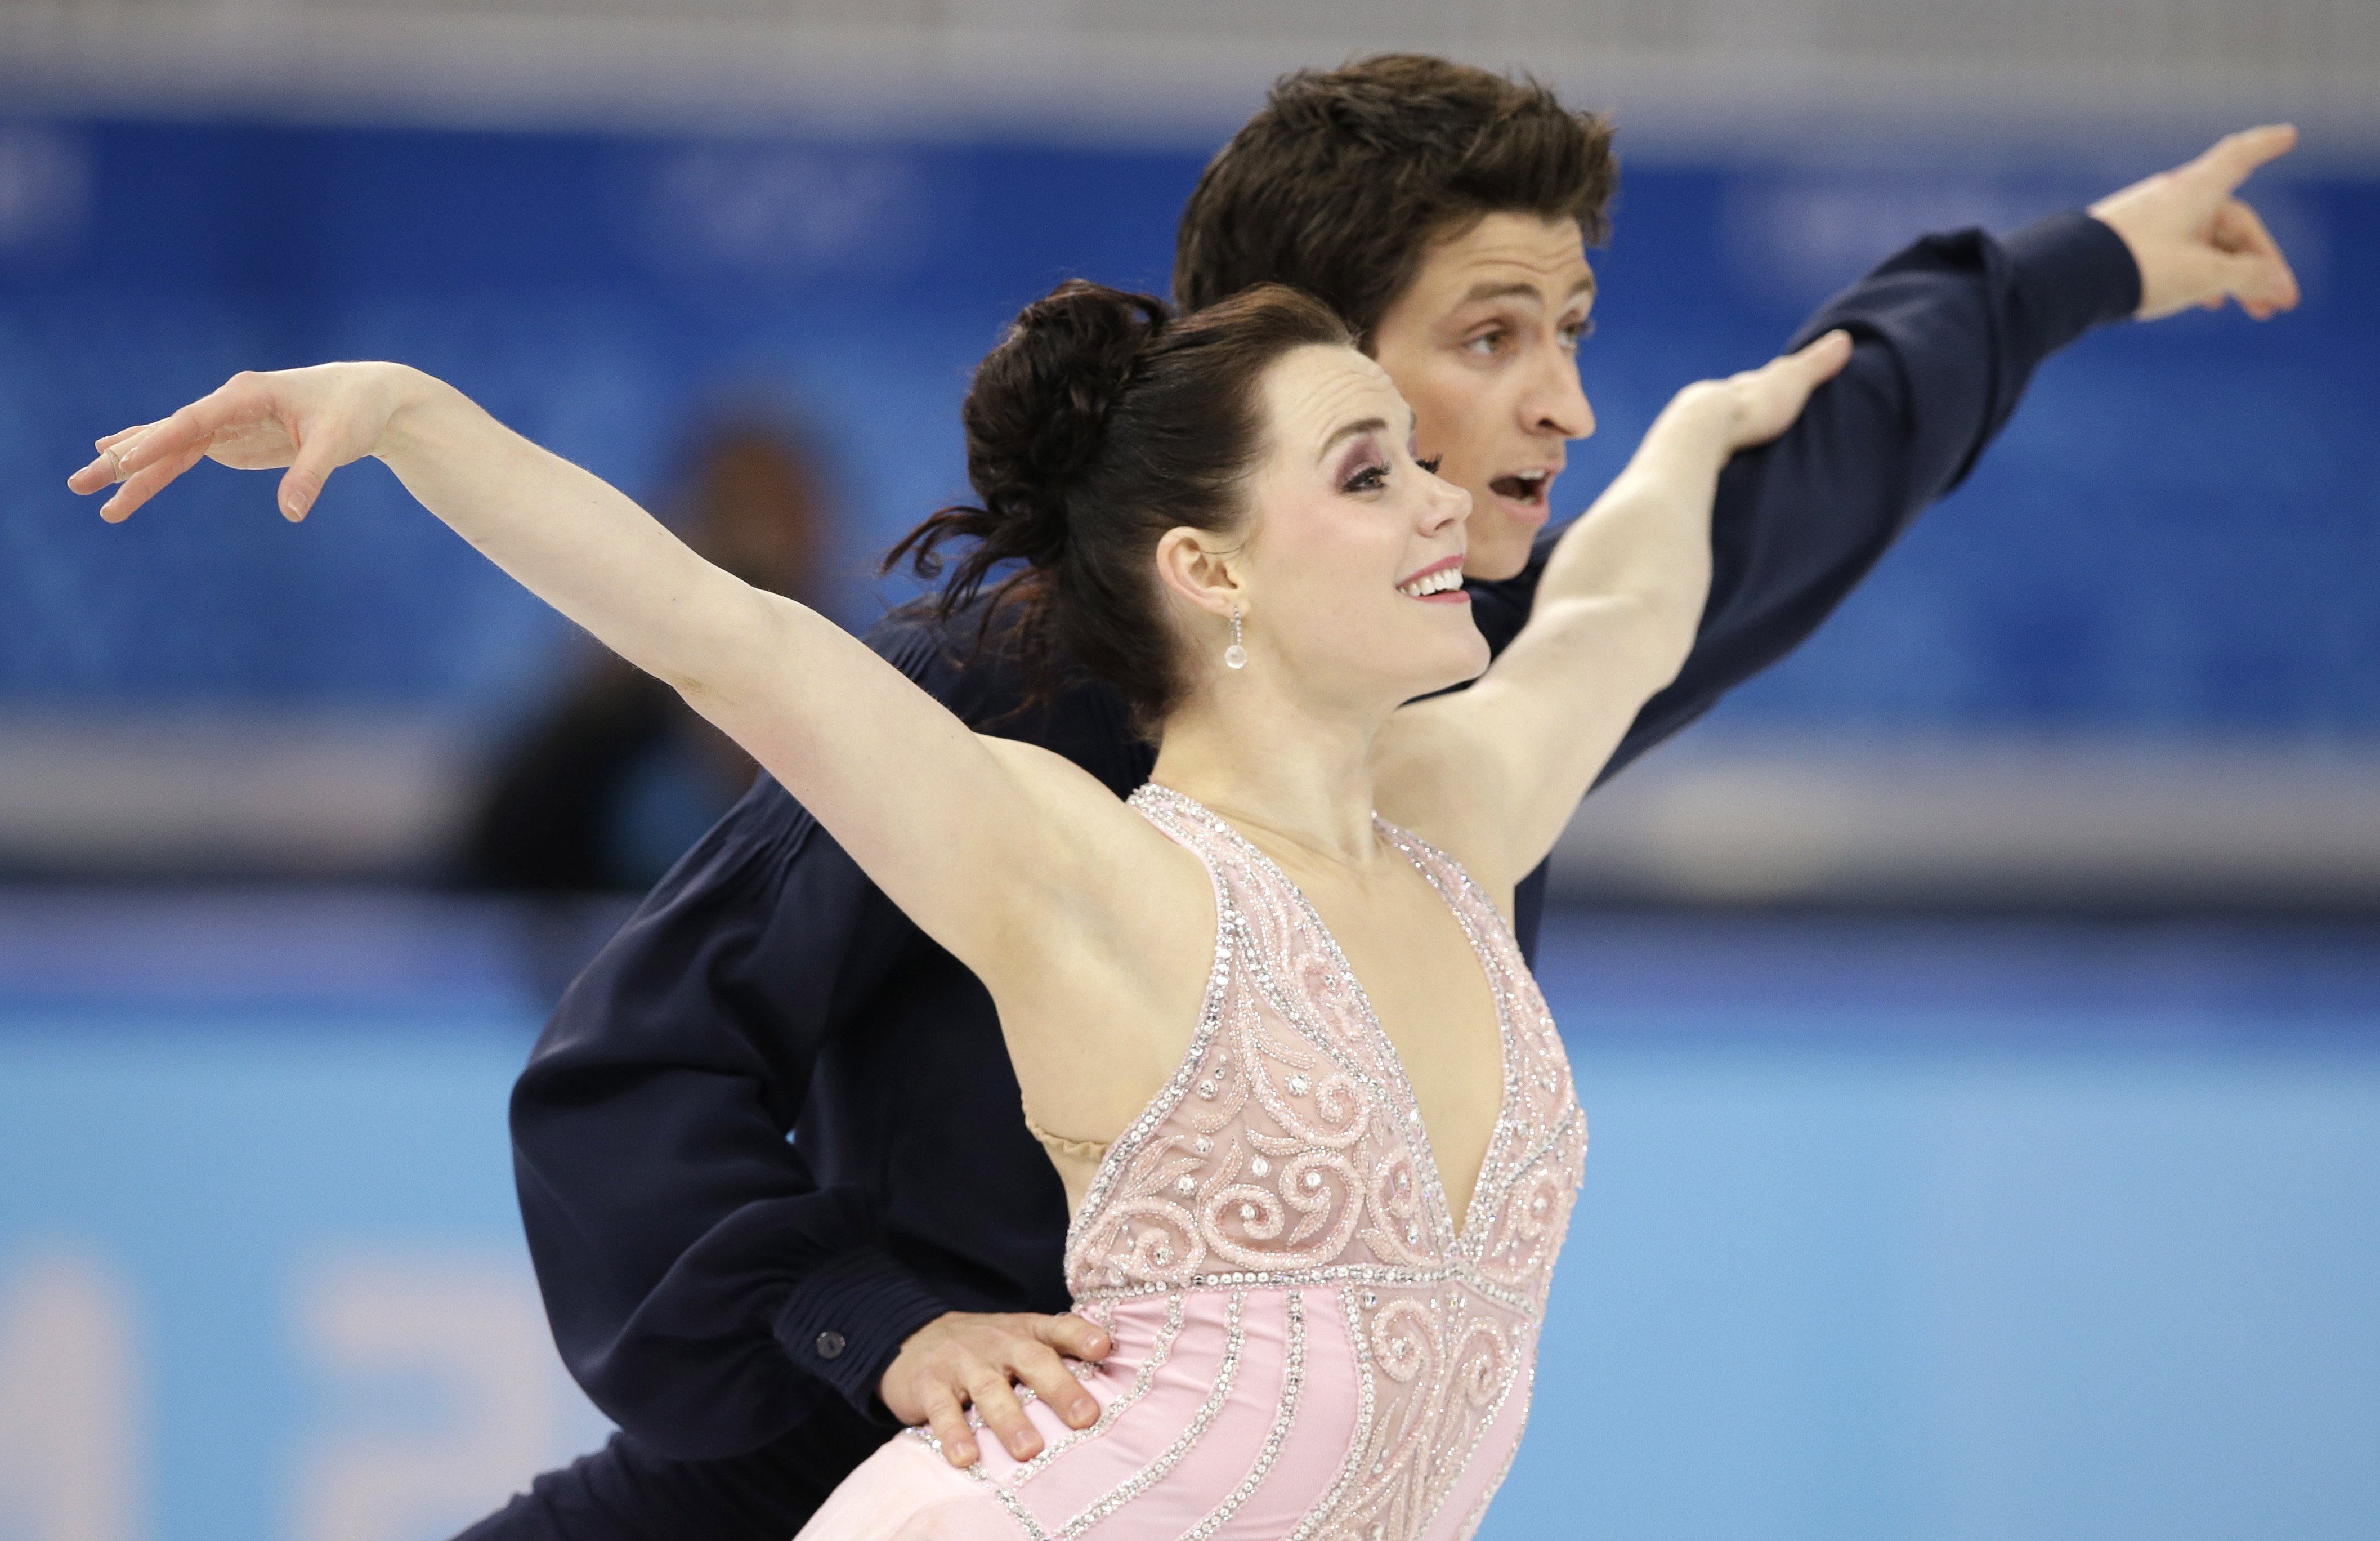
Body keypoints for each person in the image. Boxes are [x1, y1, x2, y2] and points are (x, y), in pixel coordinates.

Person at [84, 55, 2302, 1541]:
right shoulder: (1021, 713)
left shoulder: (1468, 722)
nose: (1548, 411)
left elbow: (1726, 503)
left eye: (1575, 335)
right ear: (1262, 432)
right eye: (1485, 343)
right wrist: (873, 1326)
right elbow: (666, 934)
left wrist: (2070, 265)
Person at [73, 263, 1851, 1536]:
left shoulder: (1457, 824)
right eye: (1367, 470)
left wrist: (1698, 434)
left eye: (1421, 461)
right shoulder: (1089, 871)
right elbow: (729, 640)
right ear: (1205, 569)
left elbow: (1616, 621)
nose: (1439, 504)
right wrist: (402, 415)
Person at [466, 419, 836, 892]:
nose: (763, 541)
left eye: (781, 513)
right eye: (740, 513)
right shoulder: (607, 722)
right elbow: (500, 858)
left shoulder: (875, 692)